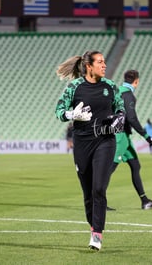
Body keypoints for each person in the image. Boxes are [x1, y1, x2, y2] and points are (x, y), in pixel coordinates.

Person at [55, 50, 125, 251]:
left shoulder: (111, 87)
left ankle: (97, 234)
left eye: (104, 62)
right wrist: (71, 114)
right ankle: (93, 225)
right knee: (87, 193)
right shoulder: (74, 87)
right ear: (89, 66)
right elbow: (58, 111)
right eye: (100, 62)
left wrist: (119, 118)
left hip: (105, 141)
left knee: (99, 189)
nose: (104, 65)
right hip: (82, 143)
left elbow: (121, 109)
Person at [109, 70, 152, 211]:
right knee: (109, 169)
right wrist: (146, 136)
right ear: (136, 81)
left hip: (123, 135)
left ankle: (144, 201)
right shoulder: (128, 95)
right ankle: (96, 202)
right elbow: (131, 118)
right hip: (119, 136)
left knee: (135, 165)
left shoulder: (116, 92)